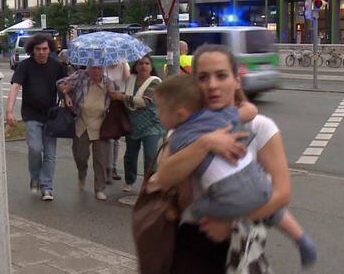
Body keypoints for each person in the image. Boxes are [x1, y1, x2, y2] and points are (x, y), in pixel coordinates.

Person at [151, 44, 298, 273]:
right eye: (203, 77)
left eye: (221, 76)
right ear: (194, 84)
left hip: (242, 246)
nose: (212, 85)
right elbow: (164, 177)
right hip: (193, 245)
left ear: (236, 80)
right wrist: (206, 143)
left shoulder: (259, 126)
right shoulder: (183, 129)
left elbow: (281, 193)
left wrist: (229, 222)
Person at [6, 33, 66, 201]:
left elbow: (64, 88)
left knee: (50, 155)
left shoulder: (56, 66)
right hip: (31, 115)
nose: (41, 52)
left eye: (45, 49)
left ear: (50, 50)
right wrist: (9, 110)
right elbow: (15, 87)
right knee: (35, 149)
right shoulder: (25, 66)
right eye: (38, 49)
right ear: (32, 50)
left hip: (51, 116)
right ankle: (35, 177)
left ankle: (46, 187)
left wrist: (67, 93)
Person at [57, 66, 114, 201]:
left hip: (101, 126)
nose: (96, 71)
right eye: (93, 68)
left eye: (99, 69)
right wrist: (66, 92)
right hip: (81, 124)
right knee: (80, 156)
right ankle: (82, 173)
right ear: (88, 68)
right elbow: (59, 83)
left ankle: (99, 188)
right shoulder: (81, 78)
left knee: (101, 159)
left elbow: (118, 97)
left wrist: (114, 93)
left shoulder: (108, 83)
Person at [109, 55, 164, 192]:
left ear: (151, 67)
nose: (143, 66)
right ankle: (129, 181)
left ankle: (148, 184)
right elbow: (125, 95)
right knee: (130, 155)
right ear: (136, 66)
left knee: (150, 156)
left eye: (146, 63)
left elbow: (144, 101)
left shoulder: (155, 82)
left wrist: (121, 97)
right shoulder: (131, 80)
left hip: (152, 125)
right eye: (140, 63)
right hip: (132, 124)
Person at [105, 61, 131, 183]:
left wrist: (125, 66)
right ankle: (107, 167)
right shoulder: (102, 65)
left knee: (115, 138)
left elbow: (128, 80)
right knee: (107, 138)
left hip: (119, 103)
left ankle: (113, 167)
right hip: (105, 102)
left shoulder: (123, 64)